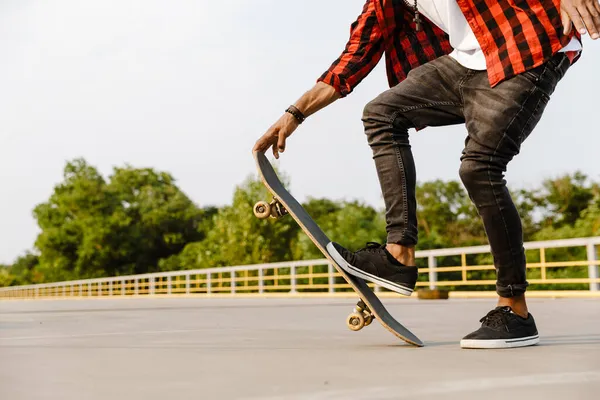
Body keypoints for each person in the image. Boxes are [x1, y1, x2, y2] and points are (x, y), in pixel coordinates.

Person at [253, 0, 596, 349]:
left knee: (479, 167)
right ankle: (397, 255)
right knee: (382, 114)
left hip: (526, 50)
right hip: (465, 64)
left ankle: (515, 310)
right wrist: (293, 114)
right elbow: (352, 59)